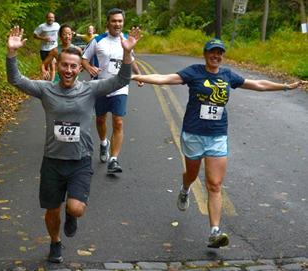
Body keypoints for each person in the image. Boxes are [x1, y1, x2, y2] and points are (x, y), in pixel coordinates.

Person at [131, 38, 308, 249]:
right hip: (193, 134)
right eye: (212, 52)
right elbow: (165, 78)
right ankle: (185, 188)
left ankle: (214, 232)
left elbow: (258, 84)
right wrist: (134, 75)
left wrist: (287, 86)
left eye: (220, 53)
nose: (216, 56)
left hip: (217, 135)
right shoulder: (194, 72)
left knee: (214, 184)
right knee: (192, 174)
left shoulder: (227, 75)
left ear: (223, 56)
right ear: (205, 54)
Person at [7, 25, 141, 263]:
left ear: (80, 69)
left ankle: (72, 215)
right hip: (52, 161)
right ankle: (55, 243)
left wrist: (128, 53)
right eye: (64, 65)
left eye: (73, 66)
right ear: (58, 66)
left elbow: (122, 79)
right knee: (51, 210)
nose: (68, 70)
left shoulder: (90, 89)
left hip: (80, 161)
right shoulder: (46, 90)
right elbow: (16, 80)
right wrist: (12, 52)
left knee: (75, 208)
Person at [82, 8, 143, 174]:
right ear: (108, 22)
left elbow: (131, 59)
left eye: (120, 21)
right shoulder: (98, 40)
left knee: (118, 122)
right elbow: (84, 58)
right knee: (101, 119)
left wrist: (139, 76)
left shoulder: (126, 40)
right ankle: (103, 143)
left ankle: (114, 159)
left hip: (120, 87)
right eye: (114, 21)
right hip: (100, 86)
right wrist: (89, 67)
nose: (117, 24)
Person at [33, 12, 60, 82]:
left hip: (54, 48)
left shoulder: (57, 25)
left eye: (52, 17)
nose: (50, 19)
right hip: (44, 49)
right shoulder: (42, 26)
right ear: (46, 18)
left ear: (54, 18)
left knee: (53, 65)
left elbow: (61, 33)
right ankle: (46, 81)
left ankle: (52, 83)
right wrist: (43, 38)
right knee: (46, 66)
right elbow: (35, 35)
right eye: (49, 17)